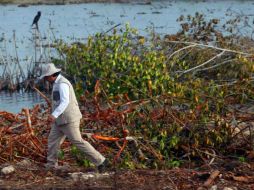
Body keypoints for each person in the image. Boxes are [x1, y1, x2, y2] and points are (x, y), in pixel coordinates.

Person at [40, 63, 109, 172]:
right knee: (53, 140)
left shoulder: (62, 84)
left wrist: (54, 115)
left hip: (69, 119)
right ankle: (51, 165)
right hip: (60, 120)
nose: (45, 79)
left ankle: (101, 161)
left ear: (52, 75)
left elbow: (65, 101)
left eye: (46, 76)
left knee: (78, 141)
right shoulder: (56, 83)